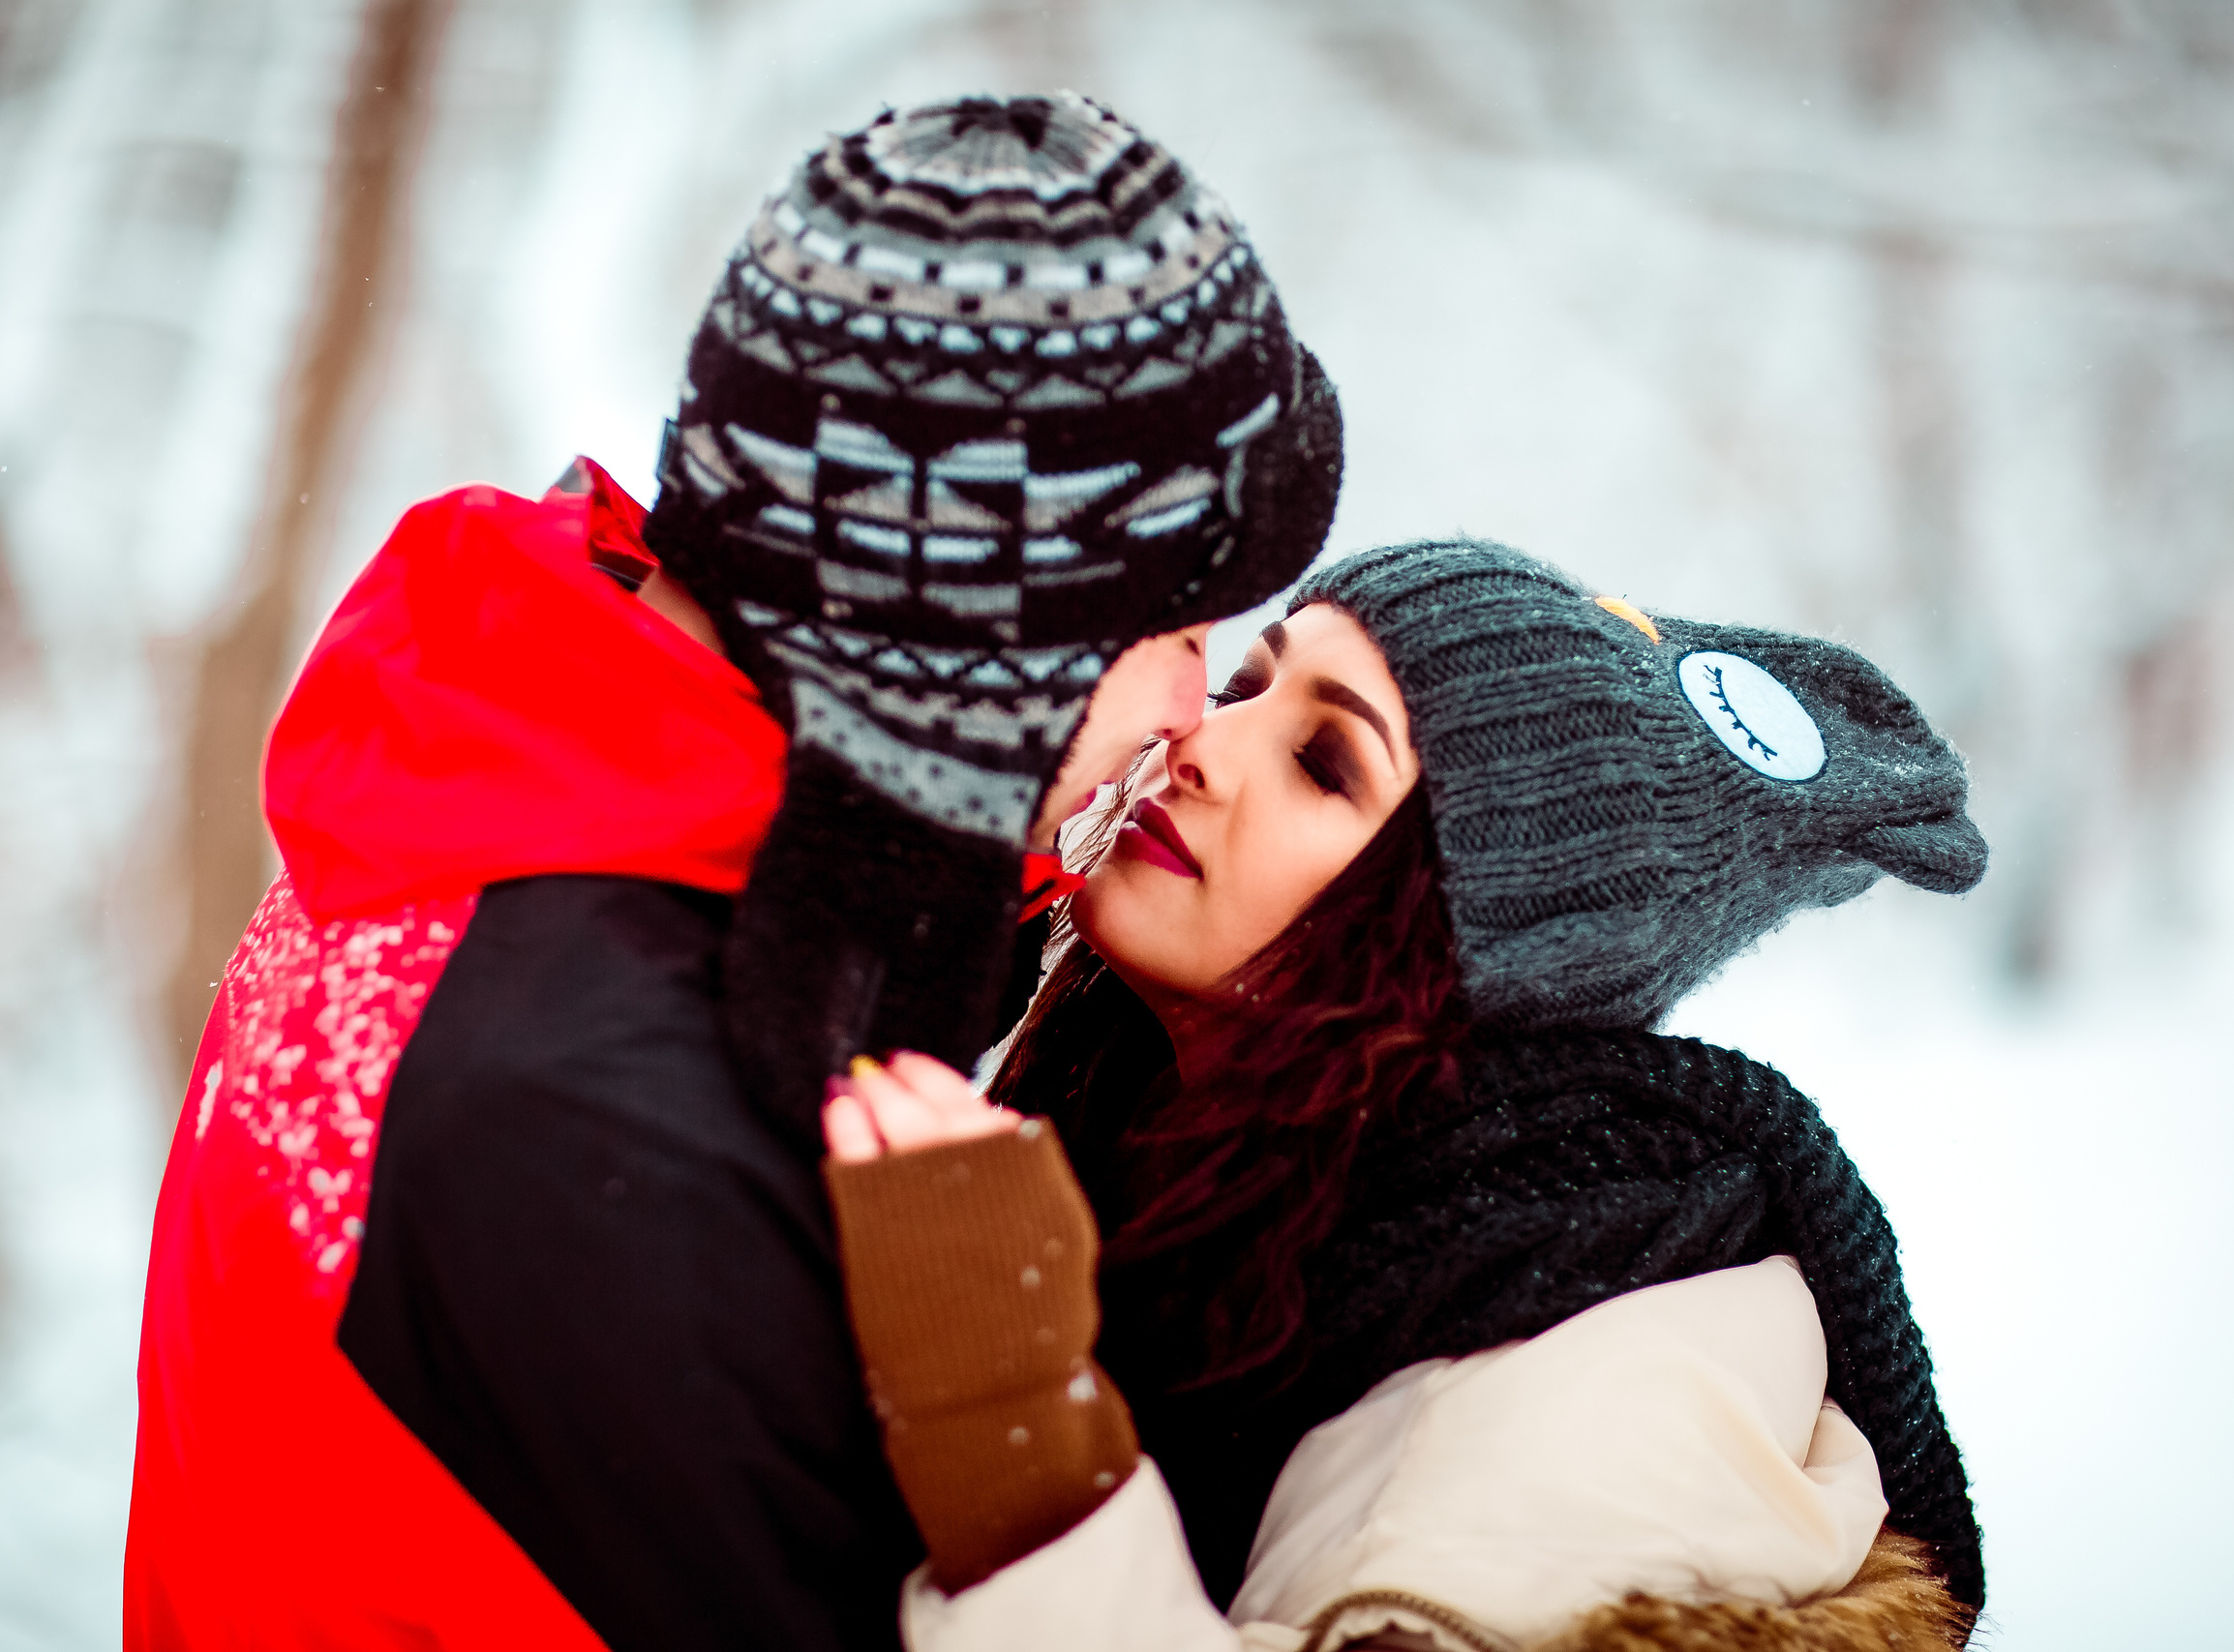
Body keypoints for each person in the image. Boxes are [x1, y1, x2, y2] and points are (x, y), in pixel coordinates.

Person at [126, 93, 1343, 1651]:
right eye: (1173, 634)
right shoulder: (624, 1133)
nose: (1189, 711)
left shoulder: (515, 778)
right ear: (969, 645)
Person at [818, 539, 1991, 1650]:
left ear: (1482, 942)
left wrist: (1008, 1419)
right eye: (1244, 690)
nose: (1199, 746)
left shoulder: (1580, 1374)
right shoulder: (1169, 1137)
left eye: (1323, 764)